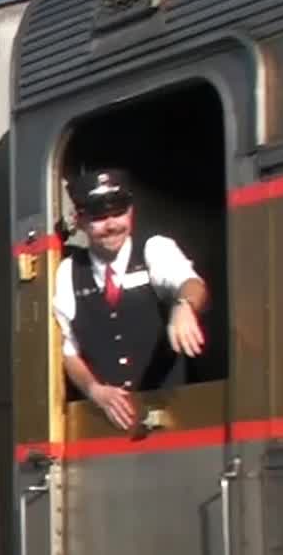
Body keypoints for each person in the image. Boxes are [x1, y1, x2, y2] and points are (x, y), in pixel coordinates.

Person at [53, 167, 213, 431]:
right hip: (106, 425)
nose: (112, 224)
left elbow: (192, 284)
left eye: (119, 212)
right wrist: (95, 391)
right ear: (79, 220)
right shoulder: (68, 272)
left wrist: (185, 307)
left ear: (131, 211)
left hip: (173, 418)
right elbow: (70, 353)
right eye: (99, 216)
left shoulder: (154, 249)